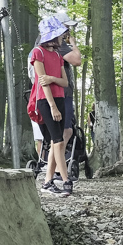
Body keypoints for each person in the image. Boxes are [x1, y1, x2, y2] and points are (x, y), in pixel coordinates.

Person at [27, 16, 73, 195]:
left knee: (57, 141)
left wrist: (53, 78)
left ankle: (47, 182)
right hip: (45, 101)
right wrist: (52, 106)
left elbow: (64, 82)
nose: (62, 38)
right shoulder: (38, 52)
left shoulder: (57, 56)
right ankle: (66, 180)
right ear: (52, 37)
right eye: (60, 35)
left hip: (60, 98)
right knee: (58, 141)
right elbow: (42, 83)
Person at [40, 15, 82, 188]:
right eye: (66, 27)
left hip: (61, 93)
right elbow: (77, 60)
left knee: (62, 135)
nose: (67, 31)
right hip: (56, 96)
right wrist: (73, 43)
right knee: (61, 135)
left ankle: (50, 177)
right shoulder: (56, 47)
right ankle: (58, 175)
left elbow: (63, 80)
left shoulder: (54, 51)